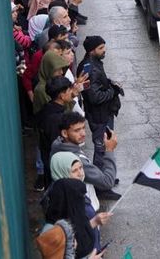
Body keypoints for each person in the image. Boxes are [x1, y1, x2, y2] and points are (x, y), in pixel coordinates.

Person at [51, 112, 120, 200]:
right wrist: (109, 150)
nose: (83, 134)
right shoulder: (76, 159)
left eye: (83, 128)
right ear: (64, 133)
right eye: (77, 130)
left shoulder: (58, 144)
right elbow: (107, 182)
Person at [78, 36, 122, 174]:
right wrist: (112, 91)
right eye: (100, 48)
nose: (104, 50)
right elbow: (95, 97)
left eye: (104, 47)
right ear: (91, 51)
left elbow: (97, 85)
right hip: (99, 115)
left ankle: (105, 177)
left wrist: (109, 83)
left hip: (102, 113)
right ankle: (101, 180)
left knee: (104, 145)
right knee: (102, 147)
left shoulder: (94, 63)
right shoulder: (90, 68)